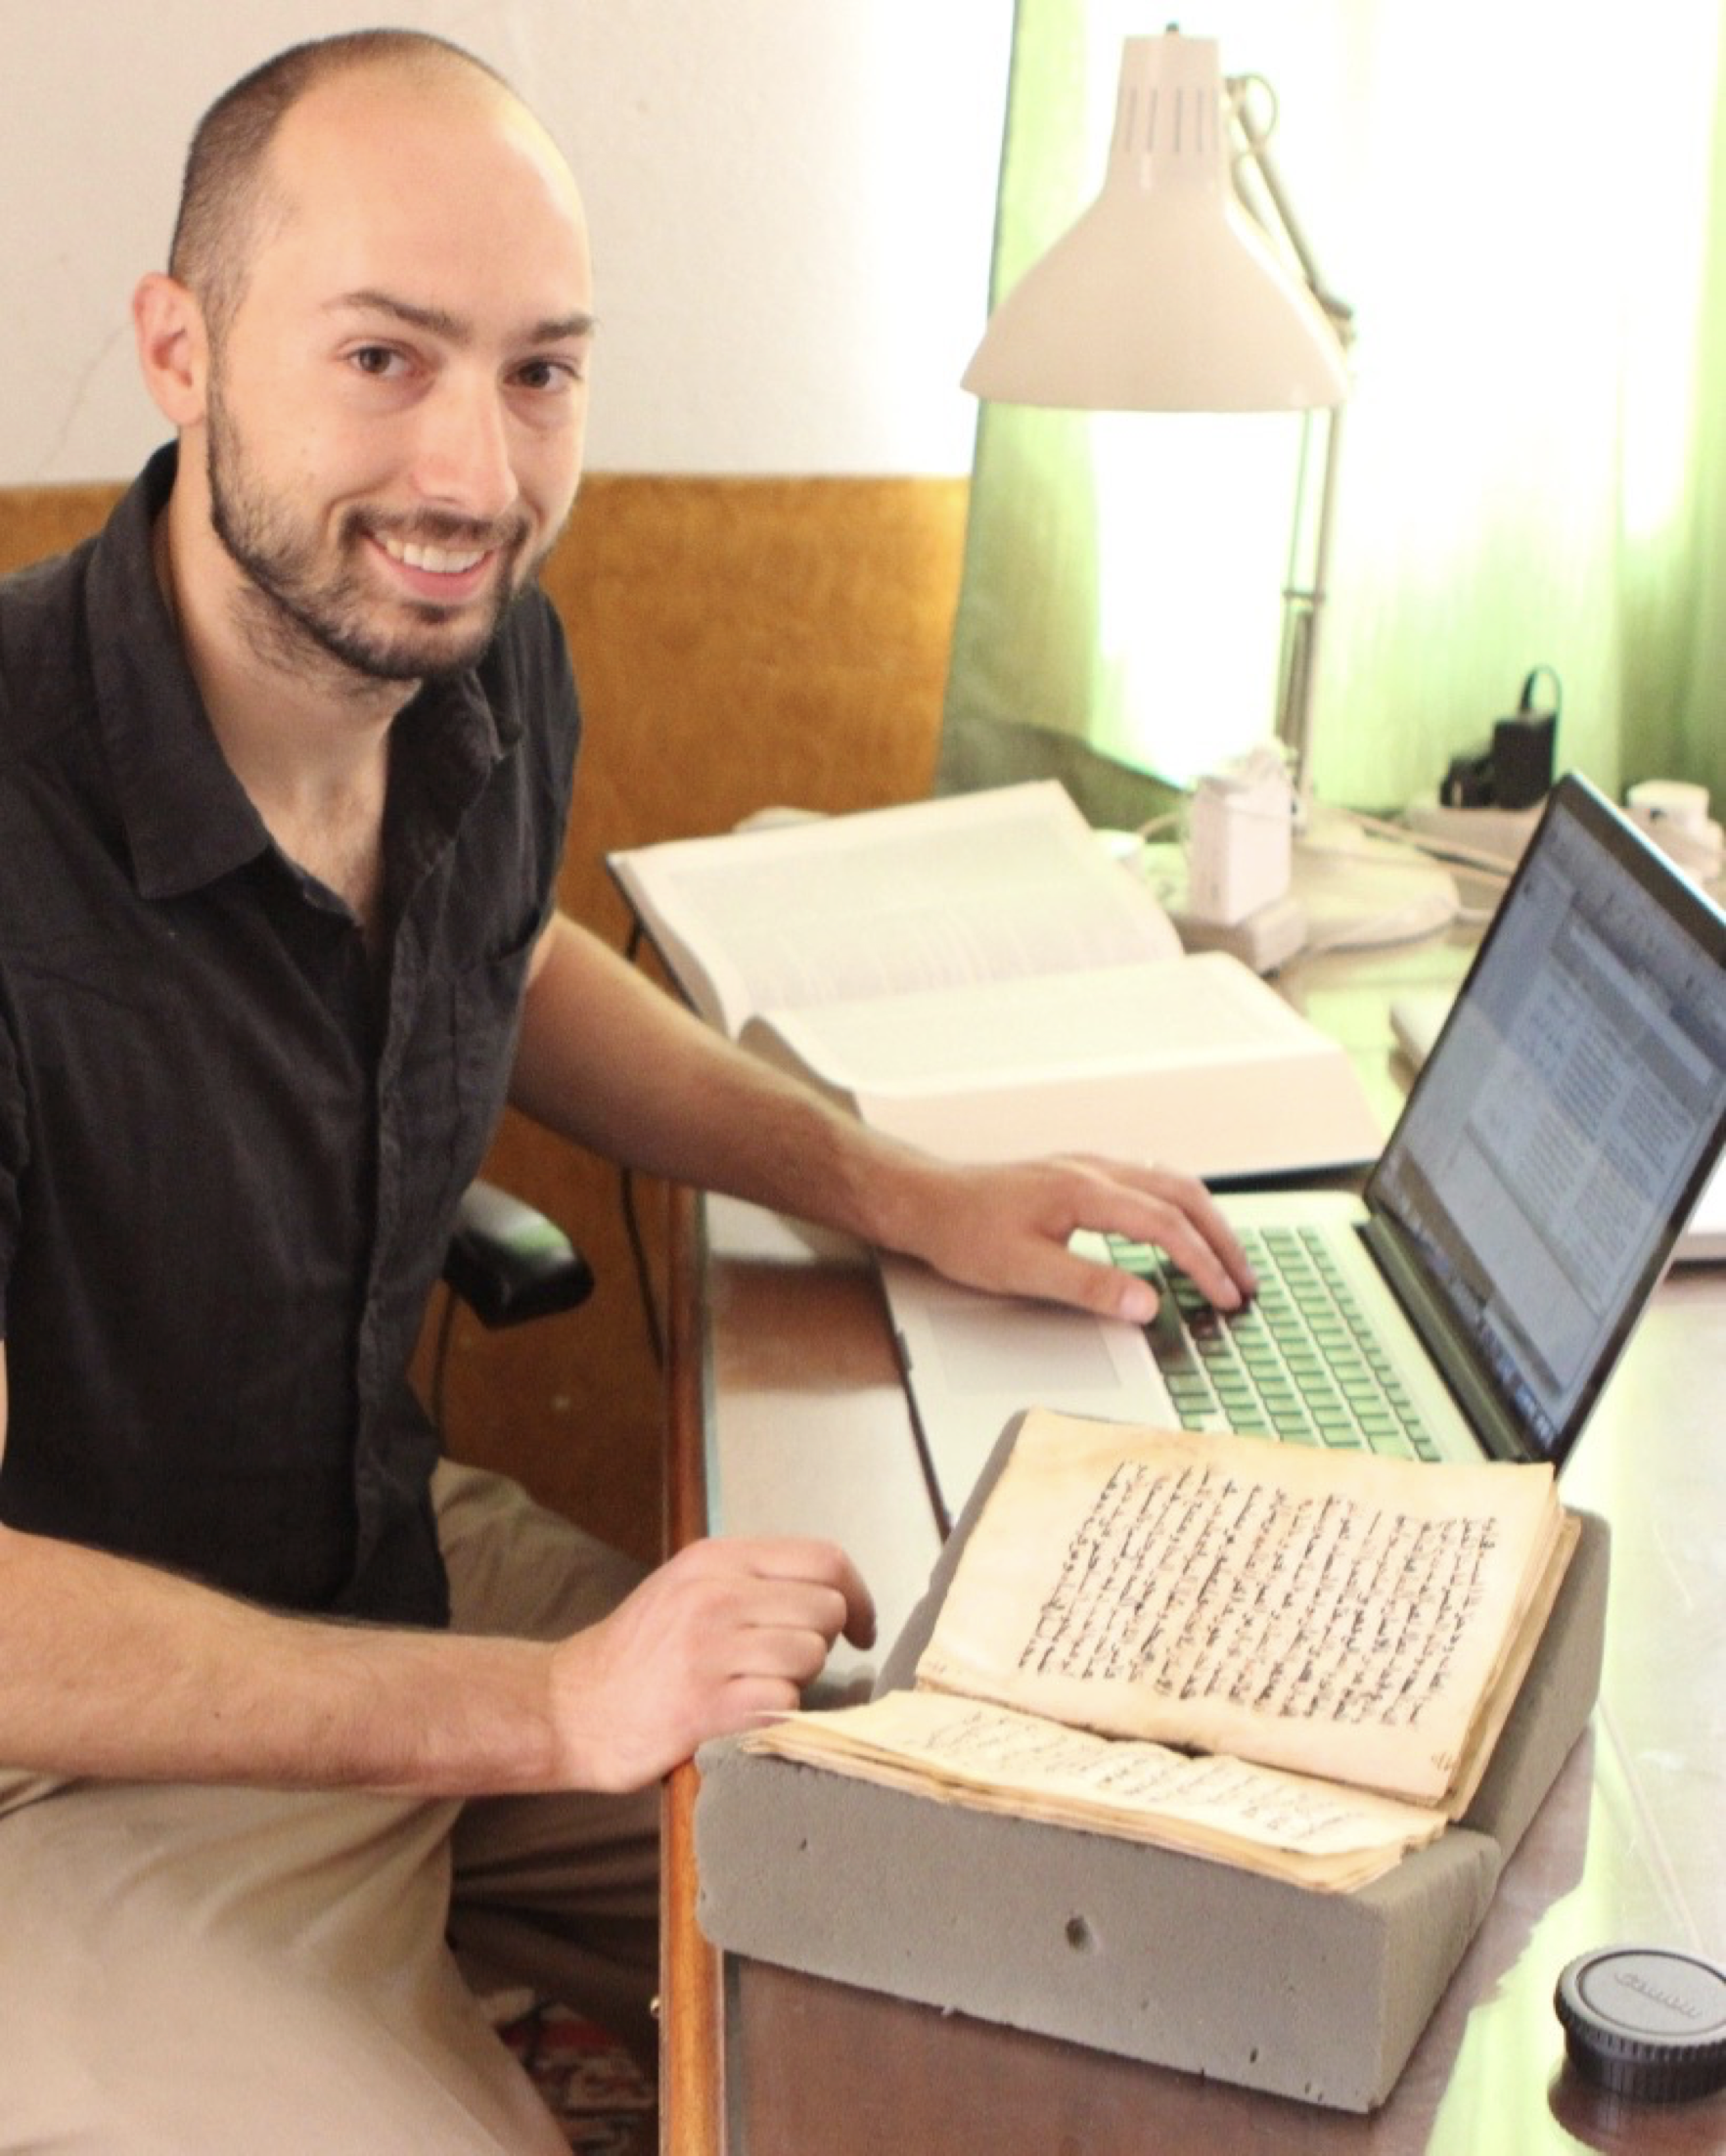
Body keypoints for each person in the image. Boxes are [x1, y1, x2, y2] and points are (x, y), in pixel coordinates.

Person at [0, 29, 1255, 2153]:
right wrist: (558, 1706)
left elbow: (510, 961)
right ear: (180, 349)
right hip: (83, 1751)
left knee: (1035, 1896)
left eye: (541, 372)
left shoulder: (480, 661)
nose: (476, 479)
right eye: (385, 358)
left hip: (382, 1566)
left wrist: (901, 1190)